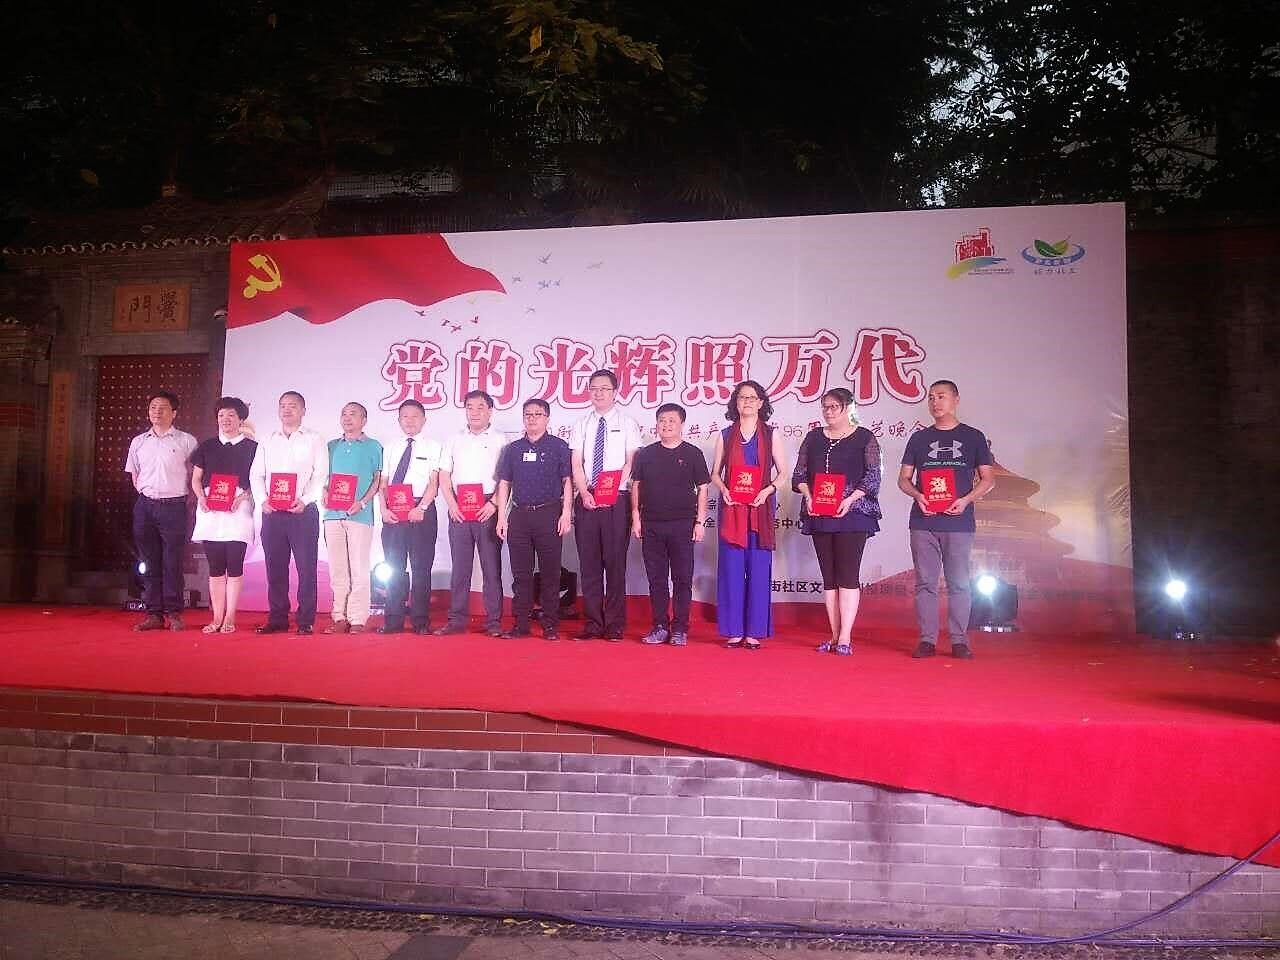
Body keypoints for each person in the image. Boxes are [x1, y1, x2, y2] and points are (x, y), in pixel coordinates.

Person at [897, 379, 996, 660]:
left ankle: (959, 640)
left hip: (959, 522)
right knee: (925, 583)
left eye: (941, 396)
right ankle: (927, 639)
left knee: (959, 583)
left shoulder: (973, 437)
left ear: (956, 399)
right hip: (923, 522)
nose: (935, 402)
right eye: (931, 397)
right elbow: (903, 479)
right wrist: (918, 495)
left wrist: (965, 500)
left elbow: (988, 479)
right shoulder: (919, 439)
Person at [792, 387, 882, 656]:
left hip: (853, 514)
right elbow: (799, 475)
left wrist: (850, 499)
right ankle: (833, 635)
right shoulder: (813, 437)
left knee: (848, 575)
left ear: (848, 408)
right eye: (825, 407)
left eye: (834, 407)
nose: (829, 412)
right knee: (829, 578)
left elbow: (873, 476)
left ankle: (845, 637)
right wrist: (809, 496)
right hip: (819, 513)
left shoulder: (865, 437)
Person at [710, 380, 787, 650]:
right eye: (742, 397)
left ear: (761, 403)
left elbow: (783, 473)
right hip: (732, 508)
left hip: (760, 508)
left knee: (759, 569)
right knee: (731, 569)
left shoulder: (771, 434)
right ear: (735, 402)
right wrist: (724, 490)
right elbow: (715, 474)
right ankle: (733, 630)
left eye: (752, 398)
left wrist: (767, 491)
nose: (747, 402)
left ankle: (754, 631)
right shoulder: (725, 435)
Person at [569, 369, 643, 641]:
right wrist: (583, 492)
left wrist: (609, 490)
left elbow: (631, 462)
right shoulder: (581, 424)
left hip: (617, 499)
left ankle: (614, 624)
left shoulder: (627, 423)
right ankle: (592, 623)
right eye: (594, 388)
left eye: (604, 388)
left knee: (614, 564)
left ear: (615, 392)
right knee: (589, 564)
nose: (598, 393)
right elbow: (576, 463)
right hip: (587, 498)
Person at [249, 390, 329, 635]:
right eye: (283, 405)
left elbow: (320, 475)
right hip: (273, 512)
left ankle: (305, 620)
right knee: (275, 567)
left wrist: (305, 500)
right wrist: (262, 500)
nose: (287, 409)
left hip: (303, 512)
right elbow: (256, 474)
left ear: (303, 410)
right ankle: (277, 618)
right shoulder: (267, 439)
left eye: (292, 405)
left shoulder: (314, 439)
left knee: (306, 568)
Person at [630, 403, 710, 647]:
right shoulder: (646, 454)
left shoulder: (693, 453)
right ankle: (660, 626)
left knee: (682, 578)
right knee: (656, 579)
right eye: (662, 420)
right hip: (651, 524)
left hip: (683, 524)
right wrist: (636, 516)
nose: (666, 425)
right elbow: (636, 485)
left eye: (671, 420)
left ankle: (680, 629)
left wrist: (700, 521)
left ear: (681, 424)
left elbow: (703, 489)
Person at [495, 398, 573, 641]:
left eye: (538, 414)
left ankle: (550, 624)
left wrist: (566, 513)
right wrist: (501, 517)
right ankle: (521, 624)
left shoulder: (559, 446)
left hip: (549, 513)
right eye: (528, 414)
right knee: (521, 573)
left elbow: (567, 481)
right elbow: (504, 483)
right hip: (519, 515)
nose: (532, 418)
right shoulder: (513, 449)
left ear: (547, 418)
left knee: (550, 572)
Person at [124, 391, 198, 631]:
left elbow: (195, 475)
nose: (157, 411)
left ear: (174, 413)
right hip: (145, 506)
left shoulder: (187, 441)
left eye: (163, 407)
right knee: (148, 561)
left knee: (172, 561)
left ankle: (174, 612)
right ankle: (153, 613)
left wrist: (185, 500)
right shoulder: (138, 441)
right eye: (153, 407)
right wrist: (146, 494)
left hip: (175, 506)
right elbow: (135, 473)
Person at [436, 390, 507, 637]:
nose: (474, 412)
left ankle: (494, 621)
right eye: (469, 407)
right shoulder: (454, 439)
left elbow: (506, 478)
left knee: (491, 568)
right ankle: (456, 620)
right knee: (460, 568)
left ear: (490, 411)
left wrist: (494, 504)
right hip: (459, 508)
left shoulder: (501, 439)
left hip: (488, 506)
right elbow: (444, 475)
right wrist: (452, 504)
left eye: (480, 407)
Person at [190, 397, 258, 634]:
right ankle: (216, 617)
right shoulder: (207, 446)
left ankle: (230, 617)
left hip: (238, 510)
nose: (225, 420)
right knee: (216, 567)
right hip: (211, 510)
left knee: (235, 565)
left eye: (230, 415)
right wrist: (201, 497)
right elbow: (196, 479)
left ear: (241, 419)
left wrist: (243, 497)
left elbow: (258, 480)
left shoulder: (253, 448)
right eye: (221, 415)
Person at [379, 399, 442, 635]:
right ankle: (393, 620)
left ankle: (420, 621)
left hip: (421, 510)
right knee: (394, 567)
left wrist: (422, 507)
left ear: (424, 420)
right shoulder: (390, 447)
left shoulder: (434, 447)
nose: (409, 421)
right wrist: (383, 509)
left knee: (421, 568)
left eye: (415, 416)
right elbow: (383, 482)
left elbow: (434, 482)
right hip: (393, 511)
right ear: (398, 420)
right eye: (405, 416)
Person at [322, 402, 383, 634]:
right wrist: (324, 491)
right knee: (338, 568)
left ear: (364, 420)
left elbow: (378, 480)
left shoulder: (374, 446)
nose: (347, 418)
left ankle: (357, 617)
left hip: (360, 515)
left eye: (353, 414)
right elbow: (324, 476)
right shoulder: (331, 446)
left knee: (359, 567)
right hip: (332, 514)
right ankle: (339, 616)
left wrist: (363, 502)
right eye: (344, 414)